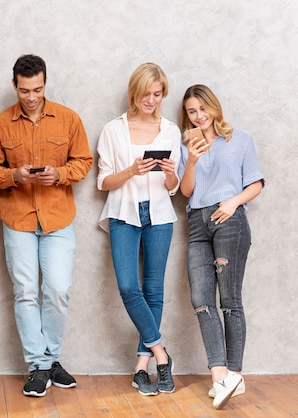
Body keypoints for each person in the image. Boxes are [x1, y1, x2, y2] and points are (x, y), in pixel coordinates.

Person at [0, 54, 93, 397]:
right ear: (14, 85)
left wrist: (59, 173)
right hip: (18, 218)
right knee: (26, 292)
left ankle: (52, 358)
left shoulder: (69, 119)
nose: (31, 96)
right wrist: (13, 175)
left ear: (45, 84)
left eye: (38, 89)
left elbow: (84, 162)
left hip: (58, 217)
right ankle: (39, 366)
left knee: (57, 290)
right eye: (25, 90)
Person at [96, 63, 180, 396]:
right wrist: (132, 170)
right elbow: (103, 181)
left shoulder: (170, 130)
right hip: (123, 214)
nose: (152, 100)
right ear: (135, 92)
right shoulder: (113, 130)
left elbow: (172, 188)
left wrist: (171, 172)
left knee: (154, 290)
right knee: (129, 287)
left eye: (158, 94)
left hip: (159, 215)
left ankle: (141, 368)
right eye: (146, 93)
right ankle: (161, 352)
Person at [178, 84, 264, 410]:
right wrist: (191, 160)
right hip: (197, 224)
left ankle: (235, 375)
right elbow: (186, 191)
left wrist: (233, 203)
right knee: (201, 299)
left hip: (229, 219)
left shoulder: (239, 139)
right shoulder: (187, 145)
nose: (199, 116)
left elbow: (255, 182)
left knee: (229, 300)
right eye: (191, 111)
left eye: (203, 108)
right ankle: (220, 377)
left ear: (214, 107)